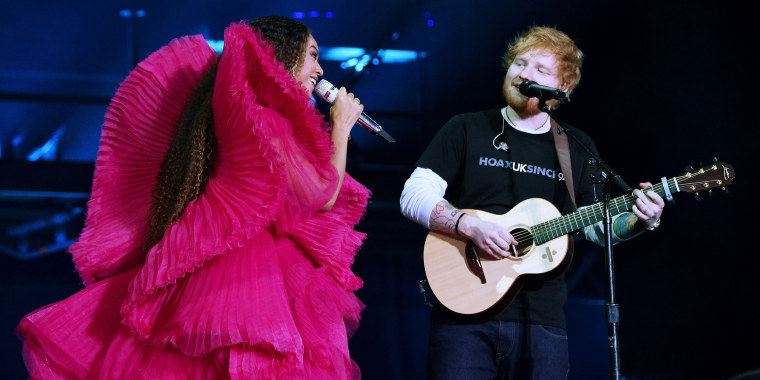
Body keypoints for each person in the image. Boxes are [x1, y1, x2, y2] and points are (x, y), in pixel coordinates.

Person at [16, 15, 370, 379]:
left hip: (205, 258)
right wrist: (340, 128)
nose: (320, 68)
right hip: (245, 269)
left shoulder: (244, 112)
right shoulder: (268, 121)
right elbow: (323, 195)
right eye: (312, 55)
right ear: (285, 57)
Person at [400, 26, 665, 379]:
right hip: (463, 318)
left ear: (563, 88)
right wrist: (469, 225)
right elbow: (413, 194)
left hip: (543, 324)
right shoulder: (467, 128)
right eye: (519, 64)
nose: (523, 74)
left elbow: (597, 225)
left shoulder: (575, 146)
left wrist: (640, 221)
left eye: (539, 70)